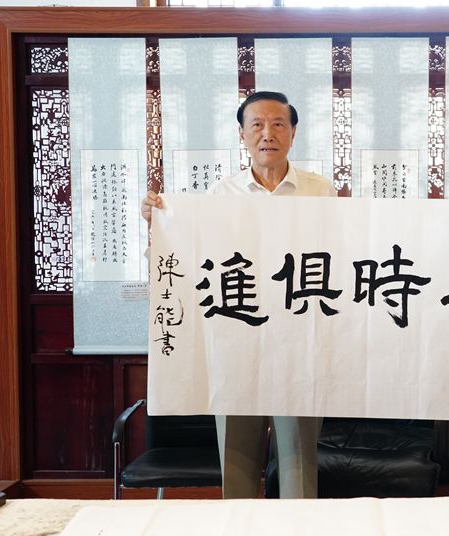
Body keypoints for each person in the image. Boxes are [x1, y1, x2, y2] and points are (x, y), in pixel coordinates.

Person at [141, 91, 336, 499]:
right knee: (237, 460)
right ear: (242, 135)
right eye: (257, 125)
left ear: (294, 132)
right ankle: (239, 524)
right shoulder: (221, 195)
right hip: (235, 342)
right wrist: (159, 226)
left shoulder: (321, 192)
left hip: (298, 343)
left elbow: (340, 256)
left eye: (278, 124)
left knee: (299, 461)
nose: (268, 134)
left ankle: (299, 528)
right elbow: (193, 260)